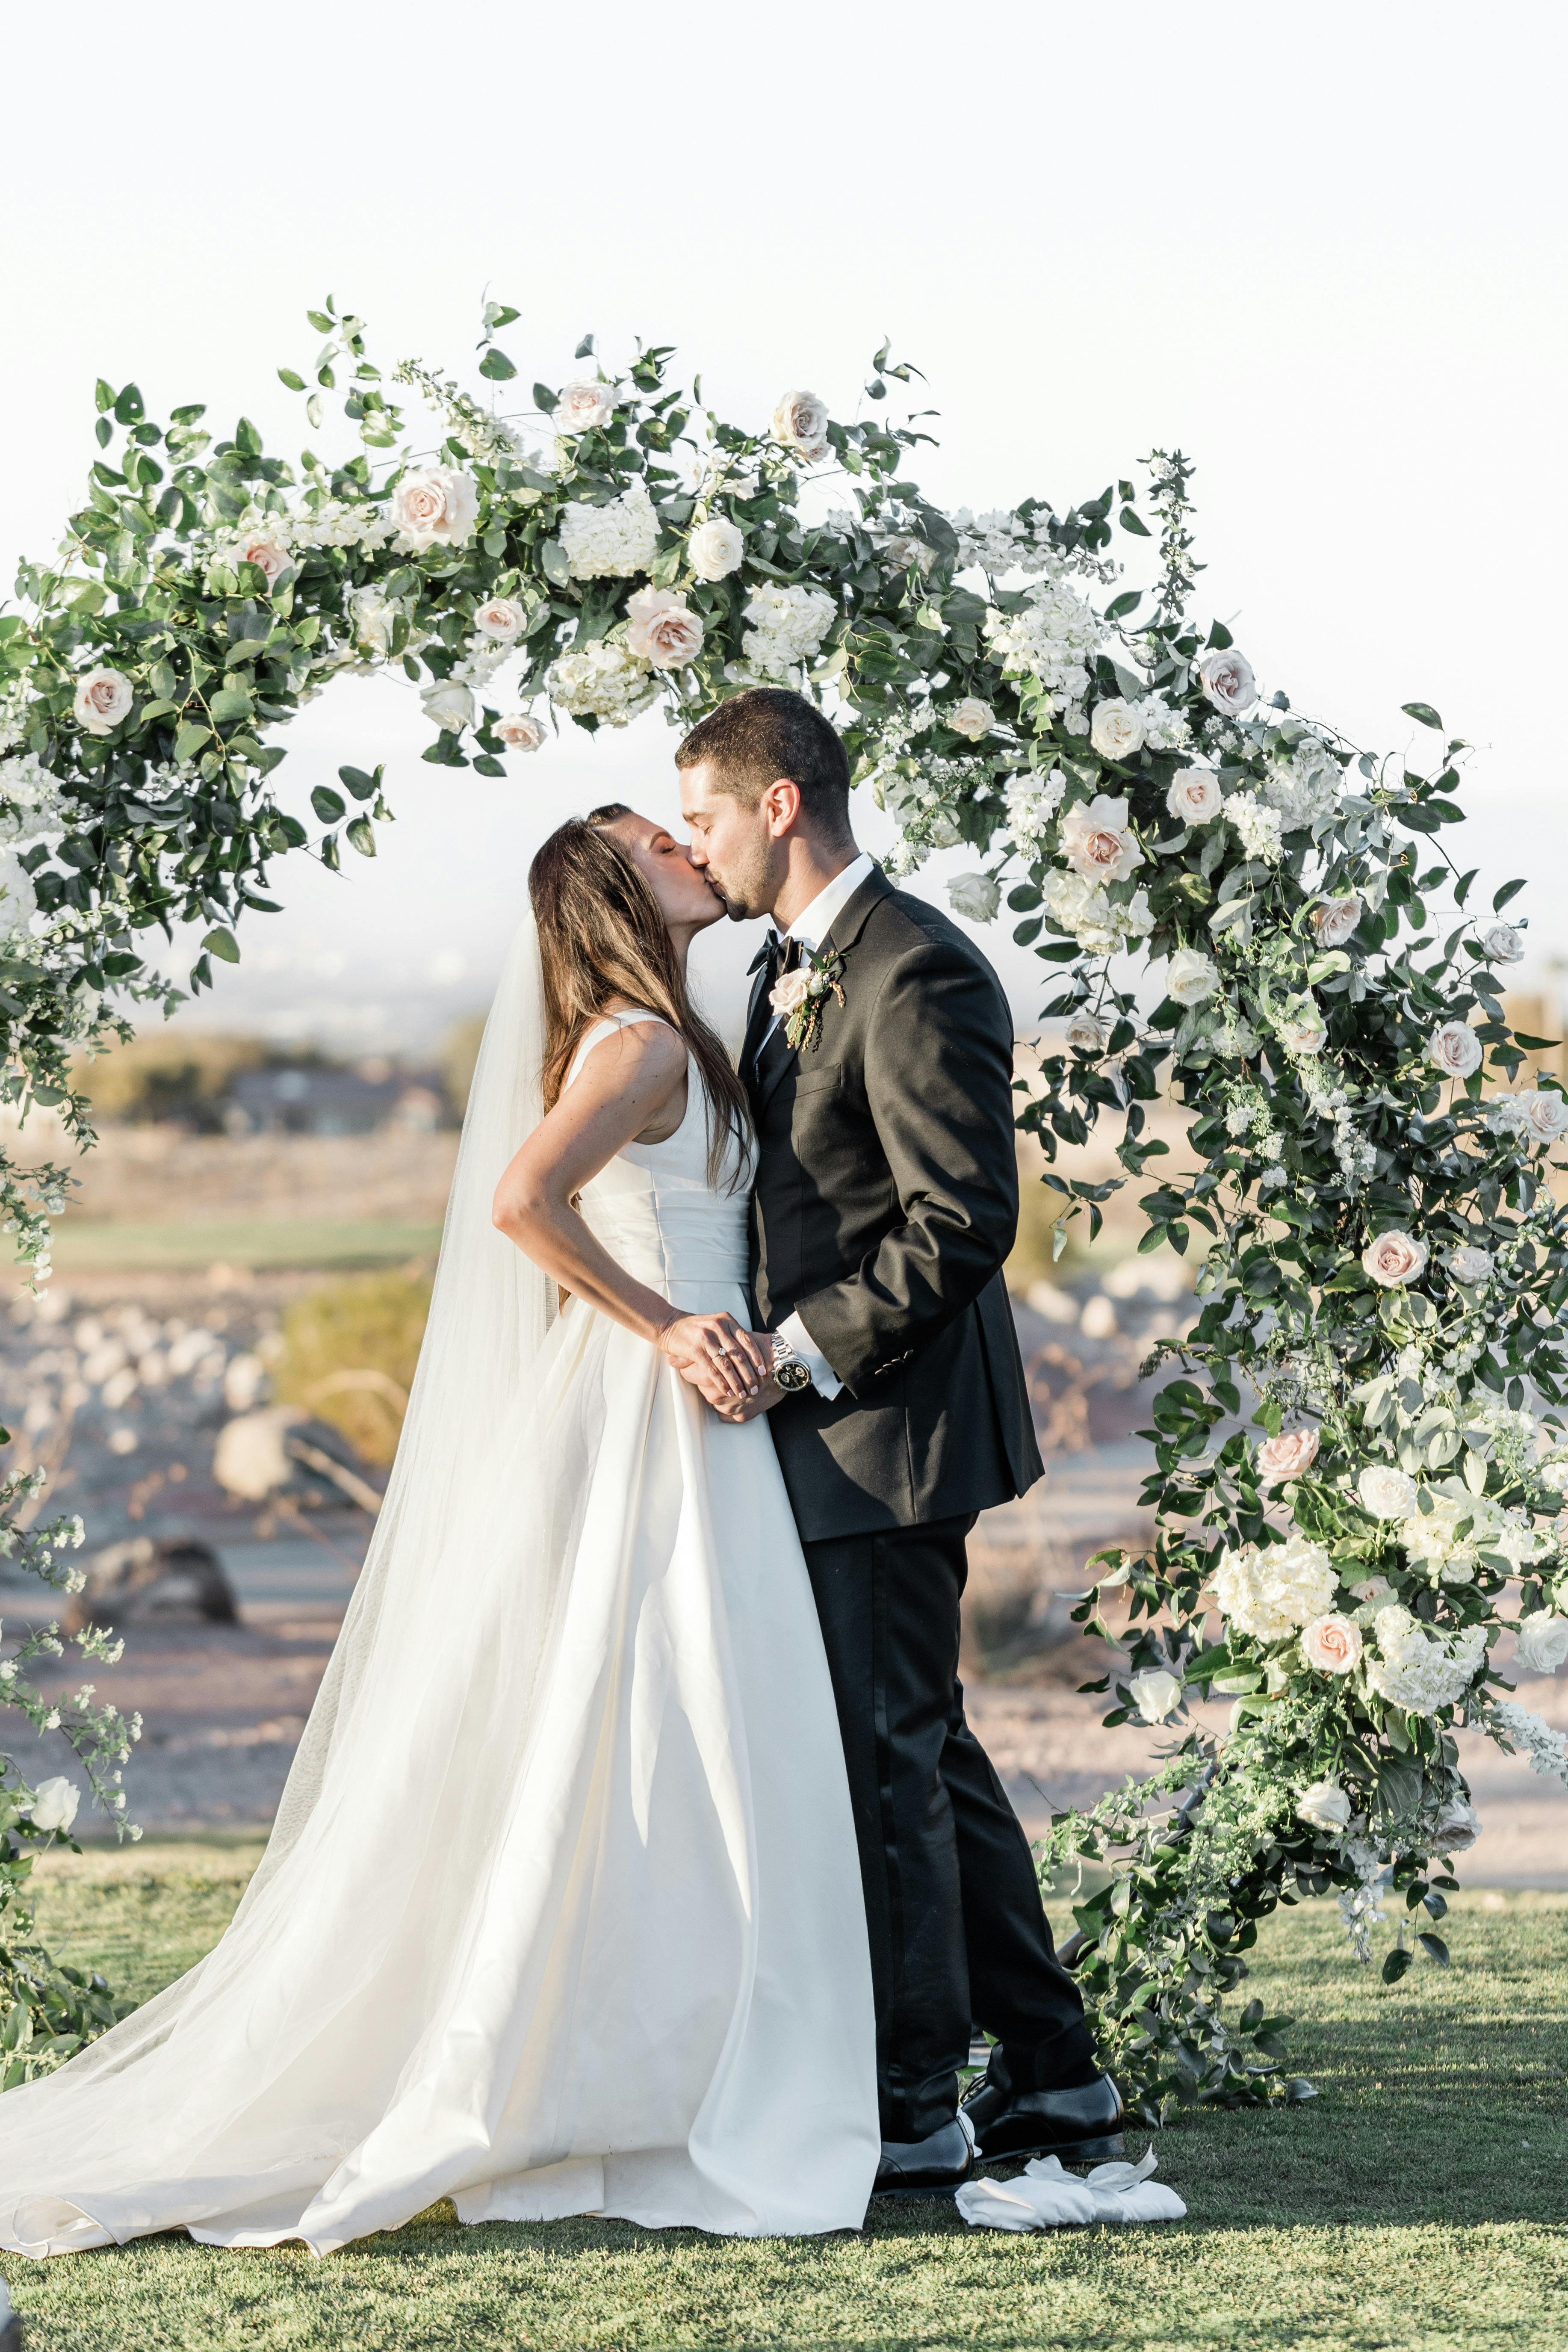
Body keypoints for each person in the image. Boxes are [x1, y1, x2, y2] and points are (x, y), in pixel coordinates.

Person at [0, 808, 879, 2257]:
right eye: (660, 840)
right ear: (616, 889)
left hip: (682, 1414)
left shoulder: (662, 1029)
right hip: (653, 1413)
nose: (688, 847)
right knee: (679, 1724)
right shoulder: (640, 1046)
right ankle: (647, 2068)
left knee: (658, 1733)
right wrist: (669, 1327)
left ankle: (650, 2053)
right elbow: (521, 1202)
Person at [675, 686, 1124, 2195]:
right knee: (927, 1748)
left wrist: (789, 1359)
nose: (699, 846)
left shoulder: (915, 965)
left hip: (886, 1427)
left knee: (884, 1762)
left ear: (780, 803)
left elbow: (962, 1221)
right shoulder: (787, 969)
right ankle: (1055, 2073)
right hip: (847, 1428)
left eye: (707, 816)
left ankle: (915, 2099)